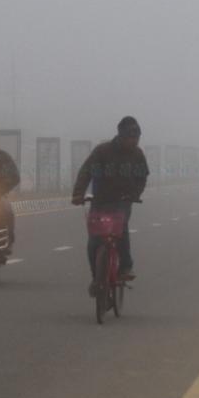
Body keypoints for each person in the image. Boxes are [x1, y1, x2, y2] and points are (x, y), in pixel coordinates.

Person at [72, 116, 149, 289]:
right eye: (130, 137)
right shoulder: (102, 151)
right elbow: (86, 172)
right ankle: (96, 278)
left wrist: (135, 194)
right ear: (121, 136)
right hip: (100, 200)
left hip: (123, 201)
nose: (134, 141)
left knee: (121, 230)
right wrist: (78, 194)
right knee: (94, 241)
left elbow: (141, 177)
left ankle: (125, 266)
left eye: (136, 138)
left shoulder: (137, 155)